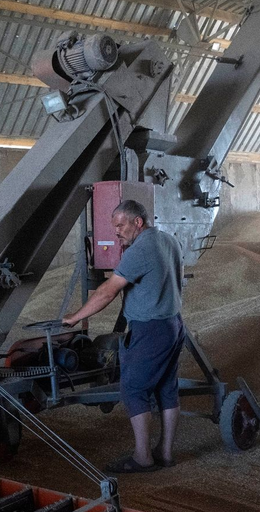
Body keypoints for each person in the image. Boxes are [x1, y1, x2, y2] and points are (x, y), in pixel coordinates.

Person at [62, 199, 185, 473]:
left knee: (133, 389)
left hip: (151, 329)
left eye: (120, 225)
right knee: (166, 388)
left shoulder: (139, 250)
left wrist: (76, 317)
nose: (116, 232)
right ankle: (165, 453)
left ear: (137, 222)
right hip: (174, 324)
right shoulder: (170, 241)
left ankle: (142, 458)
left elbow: (108, 292)